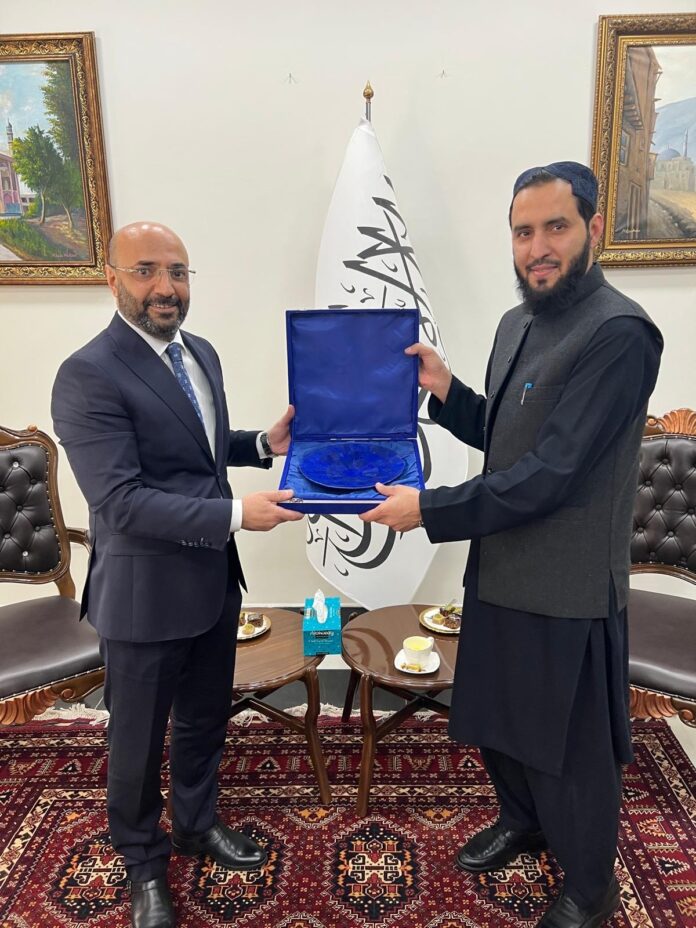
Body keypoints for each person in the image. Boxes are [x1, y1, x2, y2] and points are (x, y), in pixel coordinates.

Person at [361, 162, 663, 928]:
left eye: (555, 227)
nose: (537, 247)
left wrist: (428, 509)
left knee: (571, 753)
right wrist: (446, 390)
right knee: (498, 723)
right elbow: (506, 438)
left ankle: (590, 889)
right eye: (523, 232)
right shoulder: (515, 322)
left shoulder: (620, 334)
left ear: (594, 229)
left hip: (567, 586)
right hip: (498, 567)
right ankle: (523, 823)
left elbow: (553, 474)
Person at [51, 221, 303, 928]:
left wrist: (262, 443)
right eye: (147, 271)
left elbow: (197, 450)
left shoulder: (201, 354)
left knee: (203, 720)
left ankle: (195, 824)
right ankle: (143, 864)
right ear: (112, 278)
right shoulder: (87, 373)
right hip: (143, 597)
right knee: (135, 744)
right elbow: (121, 501)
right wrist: (236, 514)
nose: (166, 287)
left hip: (213, 584)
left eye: (179, 272)